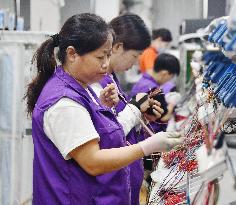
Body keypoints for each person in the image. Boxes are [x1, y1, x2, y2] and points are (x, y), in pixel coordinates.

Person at [25, 13, 184, 205]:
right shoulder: (64, 102)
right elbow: (93, 161)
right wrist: (148, 146)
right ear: (72, 54)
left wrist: (103, 109)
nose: (106, 64)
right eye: (100, 57)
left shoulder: (84, 88)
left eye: (109, 55)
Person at [91, 13, 155, 205]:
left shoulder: (111, 79)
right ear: (117, 47)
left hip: (122, 186)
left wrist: (142, 115)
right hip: (107, 189)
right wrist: (134, 109)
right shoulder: (93, 84)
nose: (135, 63)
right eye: (134, 56)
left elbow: (119, 123)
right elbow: (106, 134)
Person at [131, 53, 181, 132]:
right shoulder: (154, 90)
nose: (168, 81)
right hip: (149, 135)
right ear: (164, 74)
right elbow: (164, 118)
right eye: (170, 77)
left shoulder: (143, 81)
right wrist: (172, 104)